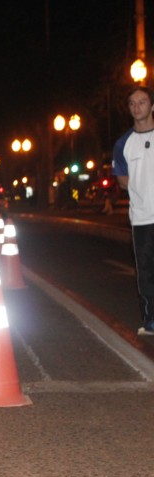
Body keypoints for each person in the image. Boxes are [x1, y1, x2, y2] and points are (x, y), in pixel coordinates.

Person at [113, 86, 154, 337]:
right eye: (132, 103)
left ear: (152, 106)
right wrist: (141, 188)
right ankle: (150, 319)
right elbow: (122, 179)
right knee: (146, 270)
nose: (137, 107)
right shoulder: (123, 143)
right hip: (141, 218)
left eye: (142, 102)